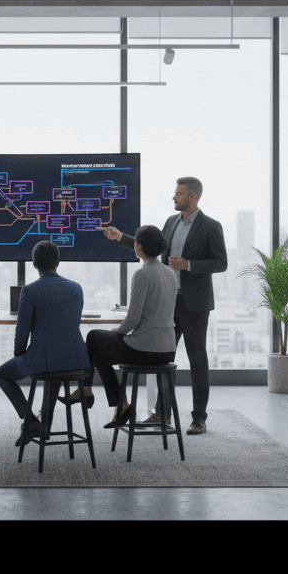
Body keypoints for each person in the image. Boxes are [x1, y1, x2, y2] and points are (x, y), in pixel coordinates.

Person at [100, 176, 226, 435]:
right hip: (168, 301)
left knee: (197, 359)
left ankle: (199, 418)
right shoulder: (170, 223)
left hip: (194, 305)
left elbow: (221, 263)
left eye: (179, 193)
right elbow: (151, 246)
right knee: (163, 356)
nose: (174, 197)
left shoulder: (211, 226)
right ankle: (161, 412)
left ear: (192, 197)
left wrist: (189, 265)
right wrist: (121, 237)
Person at [0, 241, 91, 447]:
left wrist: (20, 354)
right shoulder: (76, 288)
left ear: (34, 264)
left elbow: (22, 333)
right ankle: (44, 423)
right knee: (55, 365)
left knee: (1, 374)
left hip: (46, 359)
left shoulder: (30, 290)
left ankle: (30, 421)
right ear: (58, 262)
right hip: (78, 360)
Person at [85, 225, 178, 428]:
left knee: (93, 337)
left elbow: (133, 318)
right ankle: (120, 407)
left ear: (139, 247)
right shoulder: (170, 273)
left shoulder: (142, 275)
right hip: (168, 350)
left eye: (136, 241)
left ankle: (88, 391)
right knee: (98, 356)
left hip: (144, 349)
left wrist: (118, 331)